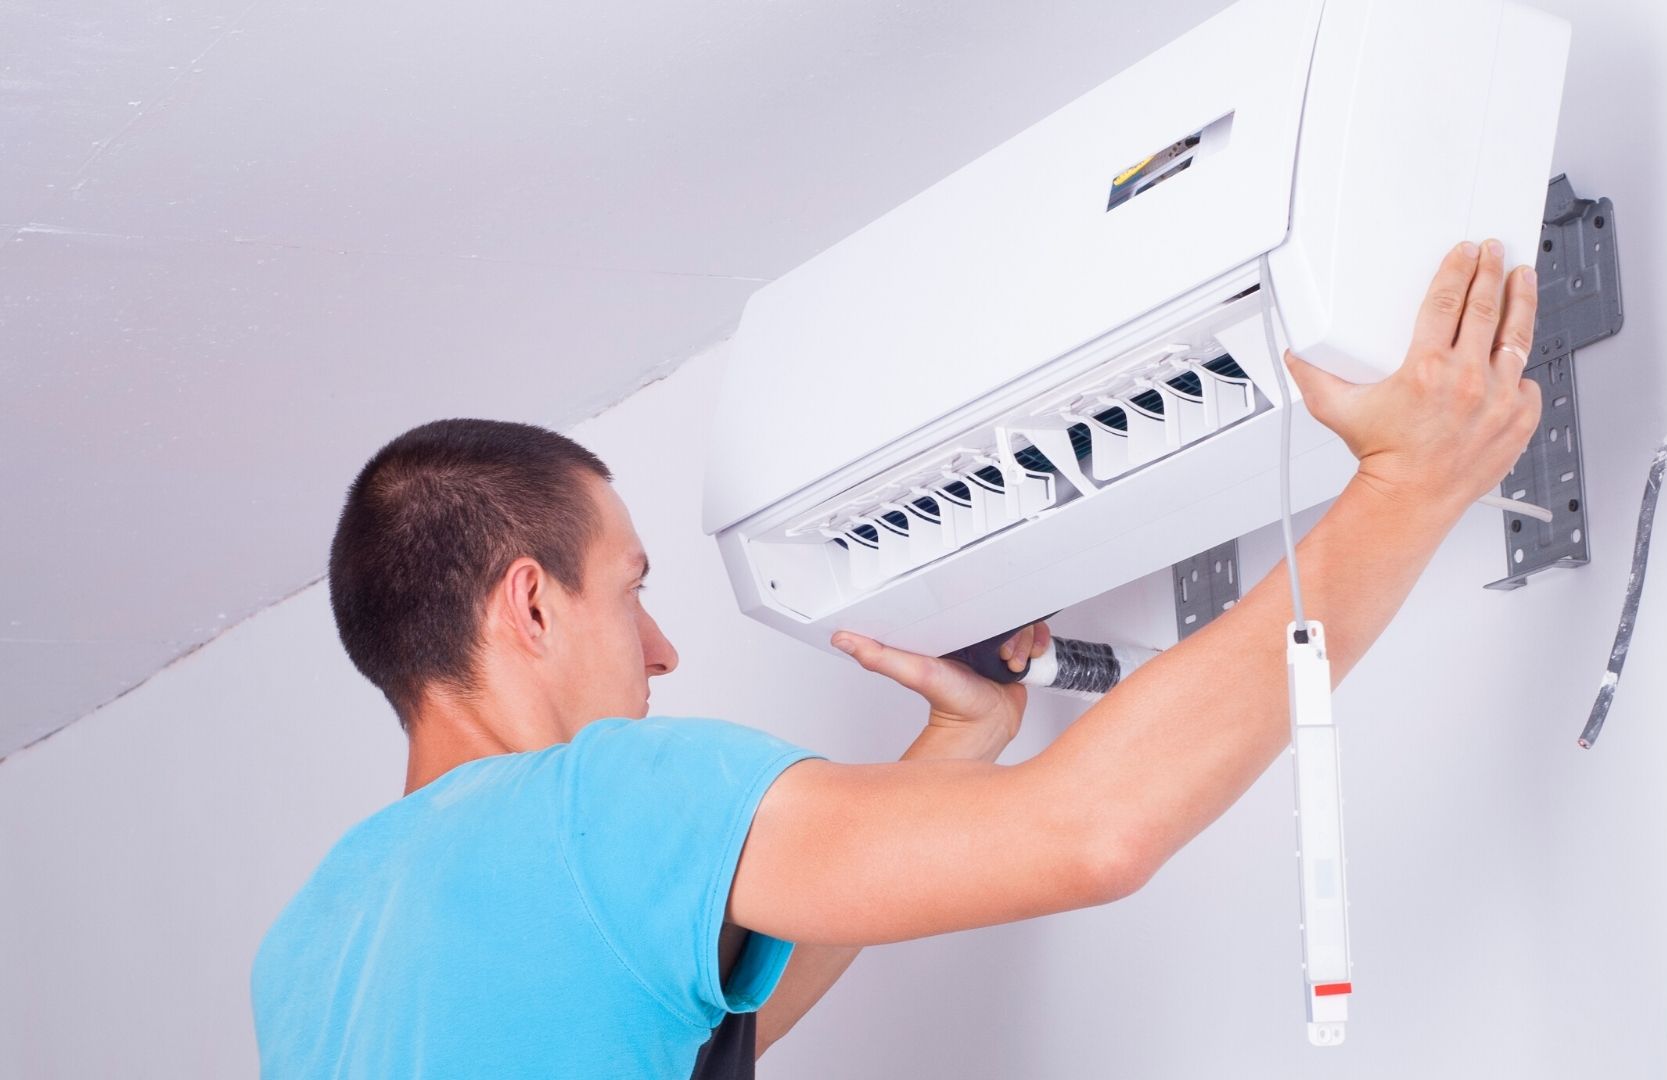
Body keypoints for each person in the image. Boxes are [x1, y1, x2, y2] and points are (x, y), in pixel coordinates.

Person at [252, 241, 1540, 1078]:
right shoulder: (597, 801)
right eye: (630, 591)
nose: (659, 649)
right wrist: (1410, 486)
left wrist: (954, 749)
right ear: (528, 606)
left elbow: (679, 1021)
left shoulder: (313, 949)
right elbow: (1093, 833)